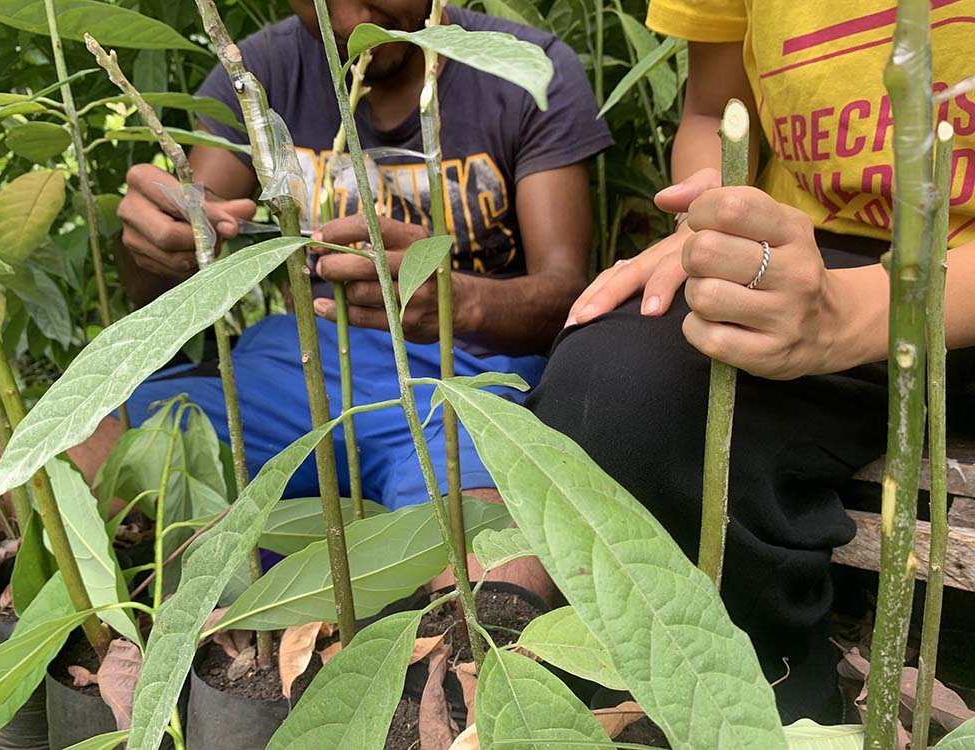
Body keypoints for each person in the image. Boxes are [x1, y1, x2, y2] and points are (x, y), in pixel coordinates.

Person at [524, 0, 975, 724]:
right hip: (806, 248)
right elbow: (709, 107)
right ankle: (756, 710)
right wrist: (713, 213)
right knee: (612, 390)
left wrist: (854, 315)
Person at [99, 1, 612, 513]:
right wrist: (154, 242)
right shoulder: (255, 73)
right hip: (294, 366)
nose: (347, 25)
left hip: (468, 378)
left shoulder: (521, 67)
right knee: (75, 458)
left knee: (483, 548)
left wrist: (462, 303)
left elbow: (567, 292)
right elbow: (182, 243)